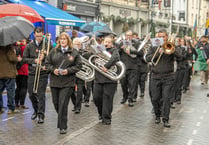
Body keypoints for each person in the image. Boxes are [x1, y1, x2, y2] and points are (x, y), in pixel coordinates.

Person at [45, 32, 82, 134]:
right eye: (61, 39)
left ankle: (63, 126)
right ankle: (62, 119)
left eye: (64, 39)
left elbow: (79, 66)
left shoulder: (74, 52)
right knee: (56, 103)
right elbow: (47, 63)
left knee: (63, 104)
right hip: (55, 82)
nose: (62, 41)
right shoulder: (54, 51)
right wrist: (53, 70)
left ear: (68, 41)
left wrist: (68, 71)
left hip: (68, 83)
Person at [146, 29, 181, 128]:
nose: (162, 38)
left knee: (166, 99)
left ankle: (166, 119)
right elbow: (148, 58)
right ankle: (157, 115)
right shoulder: (153, 47)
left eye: (163, 36)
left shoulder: (171, 45)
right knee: (155, 98)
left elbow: (180, 56)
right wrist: (158, 52)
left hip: (168, 77)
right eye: (159, 36)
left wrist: (174, 48)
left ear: (167, 37)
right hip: (155, 76)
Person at [23, 27, 49, 124]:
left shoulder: (47, 45)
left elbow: (51, 58)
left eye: (40, 36)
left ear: (43, 34)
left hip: (42, 73)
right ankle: (36, 110)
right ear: (34, 35)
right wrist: (34, 60)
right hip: (32, 72)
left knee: (41, 94)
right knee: (31, 94)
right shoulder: (29, 46)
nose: (39, 38)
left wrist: (45, 56)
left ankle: (41, 115)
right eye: (37, 36)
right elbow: (24, 59)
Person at [93, 36, 120, 125]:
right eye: (105, 41)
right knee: (97, 98)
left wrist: (107, 66)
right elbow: (91, 57)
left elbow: (115, 58)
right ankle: (101, 113)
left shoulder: (114, 50)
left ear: (112, 43)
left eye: (109, 42)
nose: (106, 43)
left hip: (109, 79)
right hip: (98, 78)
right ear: (102, 42)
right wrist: (95, 60)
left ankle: (107, 117)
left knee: (107, 99)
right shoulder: (98, 50)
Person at [118, 30, 139, 107]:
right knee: (123, 84)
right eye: (127, 35)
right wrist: (121, 48)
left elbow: (140, 53)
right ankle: (125, 96)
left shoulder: (136, 43)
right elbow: (117, 53)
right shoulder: (121, 43)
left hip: (133, 67)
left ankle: (130, 99)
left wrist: (131, 50)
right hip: (123, 67)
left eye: (130, 35)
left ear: (133, 36)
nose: (128, 37)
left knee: (132, 85)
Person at [0, 44, 21, 114]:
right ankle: (11, 108)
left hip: (0, 73)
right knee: (10, 91)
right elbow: (12, 58)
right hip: (9, 73)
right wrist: (16, 56)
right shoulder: (8, 47)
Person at [15, 39, 29, 109]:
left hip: (17, 70)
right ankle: (22, 103)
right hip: (24, 69)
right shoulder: (26, 47)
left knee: (18, 87)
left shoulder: (15, 47)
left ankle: (16, 103)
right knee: (24, 87)